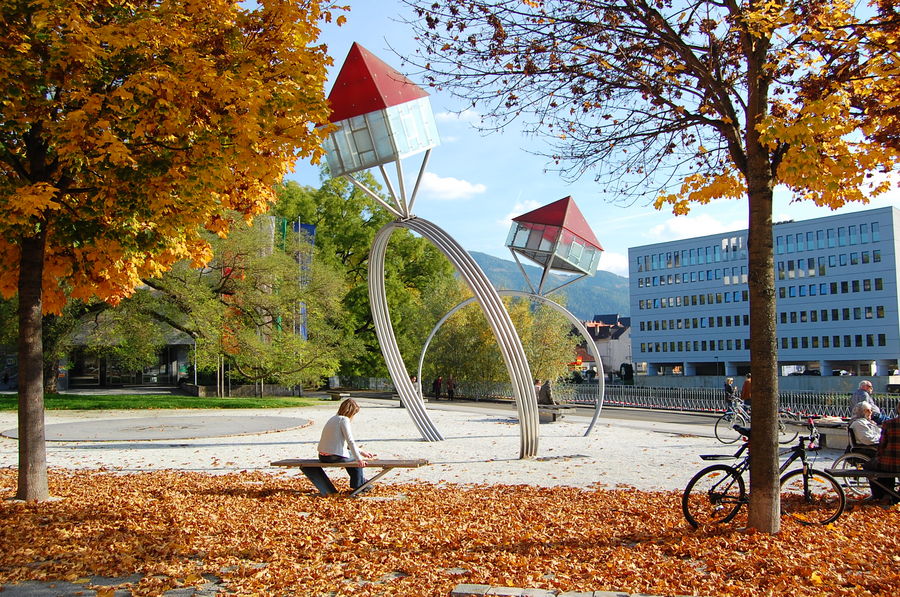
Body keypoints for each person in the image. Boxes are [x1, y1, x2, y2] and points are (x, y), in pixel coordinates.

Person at [317, 398, 375, 492]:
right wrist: (359, 459)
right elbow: (350, 441)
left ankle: (359, 482)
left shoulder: (333, 418)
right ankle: (359, 485)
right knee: (354, 458)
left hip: (322, 456)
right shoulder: (344, 420)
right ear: (351, 412)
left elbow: (344, 444)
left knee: (349, 455)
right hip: (333, 456)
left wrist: (362, 451)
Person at [862, 415, 900, 504]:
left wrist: (878, 457)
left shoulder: (888, 423)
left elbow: (882, 445)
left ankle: (881, 494)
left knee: (869, 466)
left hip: (889, 463)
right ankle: (892, 495)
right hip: (892, 464)